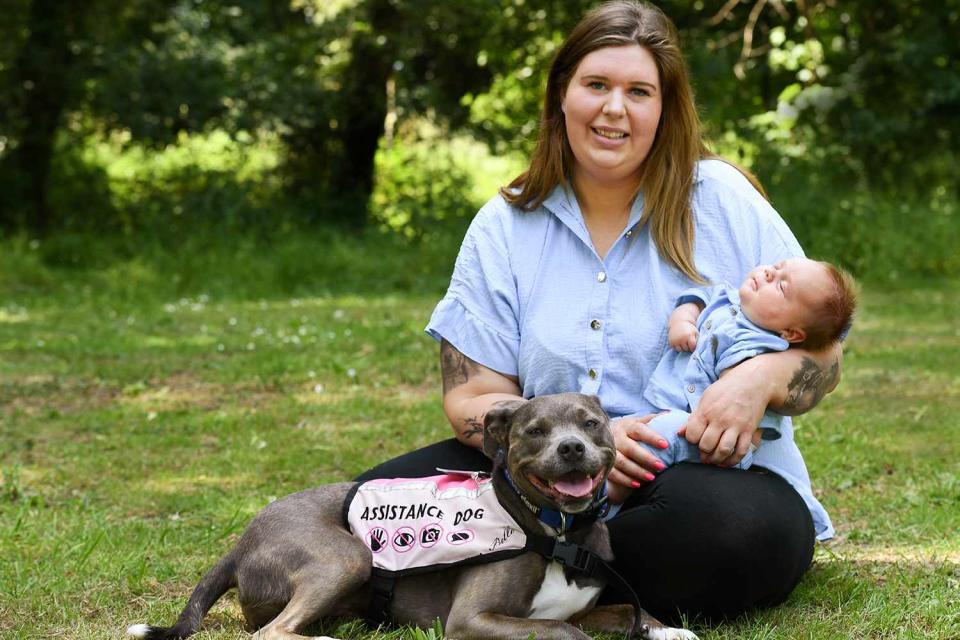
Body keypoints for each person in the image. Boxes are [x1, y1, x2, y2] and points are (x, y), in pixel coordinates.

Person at [357, 0, 845, 623]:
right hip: (544, 478)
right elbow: (472, 396)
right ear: (562, 94)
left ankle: (534, 582)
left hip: (700, 481)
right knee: (374, 509)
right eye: (596, 85)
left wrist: (758, 378)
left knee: (722, 536)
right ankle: (567, 580)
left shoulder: (723, 199)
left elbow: (824, 348)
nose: (615, 108)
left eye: (639, 91)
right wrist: (588, 449)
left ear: (664, 108)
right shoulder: (505, 225)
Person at [638, 258, 858, 471]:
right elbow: (695, 299)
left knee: (655, 439)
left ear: (790, 333)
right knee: (636, 435)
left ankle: (611, 498)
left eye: (781, 286)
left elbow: (747, 411)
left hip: (701, 434)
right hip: (658, 405)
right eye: (776, 266)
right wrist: (683, 321)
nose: (769, 273)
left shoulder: (763, 347)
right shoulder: (726, 295)